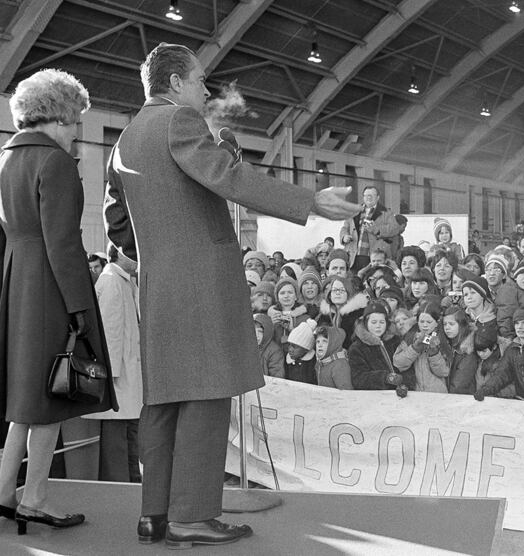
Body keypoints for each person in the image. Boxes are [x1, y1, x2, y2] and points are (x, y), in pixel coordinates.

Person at [103, 43, 359, 547]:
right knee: (207, 393)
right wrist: (310, 202)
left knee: (163, 401)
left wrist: (158, 252)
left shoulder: (126, 138)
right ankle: (192, 517)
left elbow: (116, 220)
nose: (206, 89)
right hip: (201, 284)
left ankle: (154, 515)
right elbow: (227, 176)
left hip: (158, 287)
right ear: (174, 83)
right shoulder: (179, 122)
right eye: (199, 80)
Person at [0, 69, 117, 532]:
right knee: (53, 394)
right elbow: (65, 246)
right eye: (74, 123)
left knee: (24, 400)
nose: (75, 133)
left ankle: (6, 492)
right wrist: (81, 311)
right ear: (57, 116)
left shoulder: (6, 160)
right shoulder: (54, 165)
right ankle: (36, 499)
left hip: (15, 285)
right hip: (50, 287)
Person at [84, 243, 143, 483]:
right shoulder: (110, 281)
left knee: (127, 435)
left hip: (126, 372)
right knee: (117, 438)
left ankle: (128, 481)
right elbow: (109, 333)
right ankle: (119, 483)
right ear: (118, 253)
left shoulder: (124, 280)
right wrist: (111, 374)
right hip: (118, 375)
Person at [341, 186, 404, 273]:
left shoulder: (386, 212)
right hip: (354, 255)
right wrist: (344, 237)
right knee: (354, 282)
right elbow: (345, 227)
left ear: (378, 197)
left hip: (374, 257)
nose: (368, 197)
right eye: (366, 195)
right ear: (363, 197)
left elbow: (394, 229)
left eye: (371, 195)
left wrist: (377, 230)